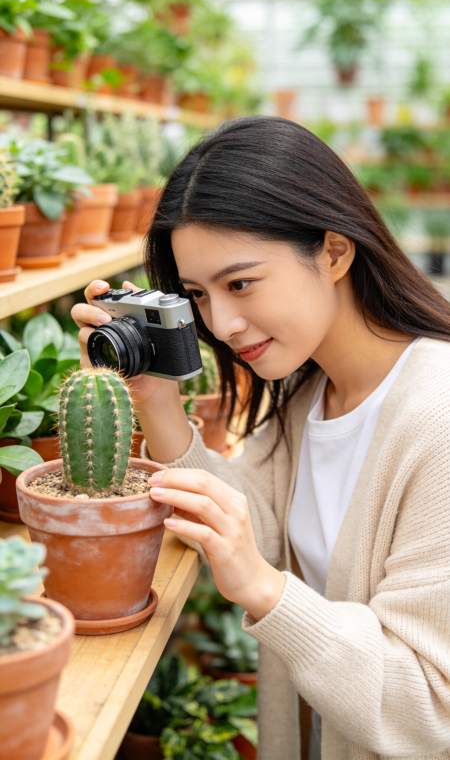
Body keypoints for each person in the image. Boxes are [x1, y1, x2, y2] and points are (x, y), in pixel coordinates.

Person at [72, 117, 450, 760]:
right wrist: (154, 401)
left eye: (240, 282)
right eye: (198, 294)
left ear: (334, 251)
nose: (223, 322)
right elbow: (265, 532)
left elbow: (430, 709)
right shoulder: (310, 393)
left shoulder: (435, 421)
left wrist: (262, 589)